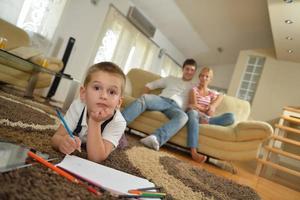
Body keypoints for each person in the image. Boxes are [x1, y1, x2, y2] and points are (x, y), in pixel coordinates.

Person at [51, 62, 126, 163]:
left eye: (112, 92)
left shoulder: (118, 122)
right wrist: (61, 143)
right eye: (97, 88)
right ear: (83, 93)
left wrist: (95, 122)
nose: (104, 96)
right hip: (82, 133)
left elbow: (96, 158)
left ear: (119, 102)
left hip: (110, 134)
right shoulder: (78, 106)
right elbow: (56, 138)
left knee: (122, 144)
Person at [122, 58, 197, 150]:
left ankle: (155, 138)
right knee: (145, 98)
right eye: (187, 69)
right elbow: (149, 85)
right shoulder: (171, 78)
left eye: (192, 70)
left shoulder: (195, 86)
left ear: (194, 72)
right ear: (183, 69)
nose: (189, 72)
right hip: (162, 100)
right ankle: (118, 124)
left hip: (176, 108)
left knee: (184, 117)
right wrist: (143, 95)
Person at [186, 67, 235, 163]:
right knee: (192, 112)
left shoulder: (211, 93)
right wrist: (205, 109)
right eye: (202, 75)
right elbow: (194, 105)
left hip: (206, 118)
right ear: (199, 77)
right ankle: (193, 151)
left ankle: (206, 121)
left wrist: (212, 106)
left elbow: (221, 96)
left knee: (231, 117)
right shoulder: (193, 90)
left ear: (210, 79)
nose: (204, 78)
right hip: (195, 115)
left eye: (207, 76)